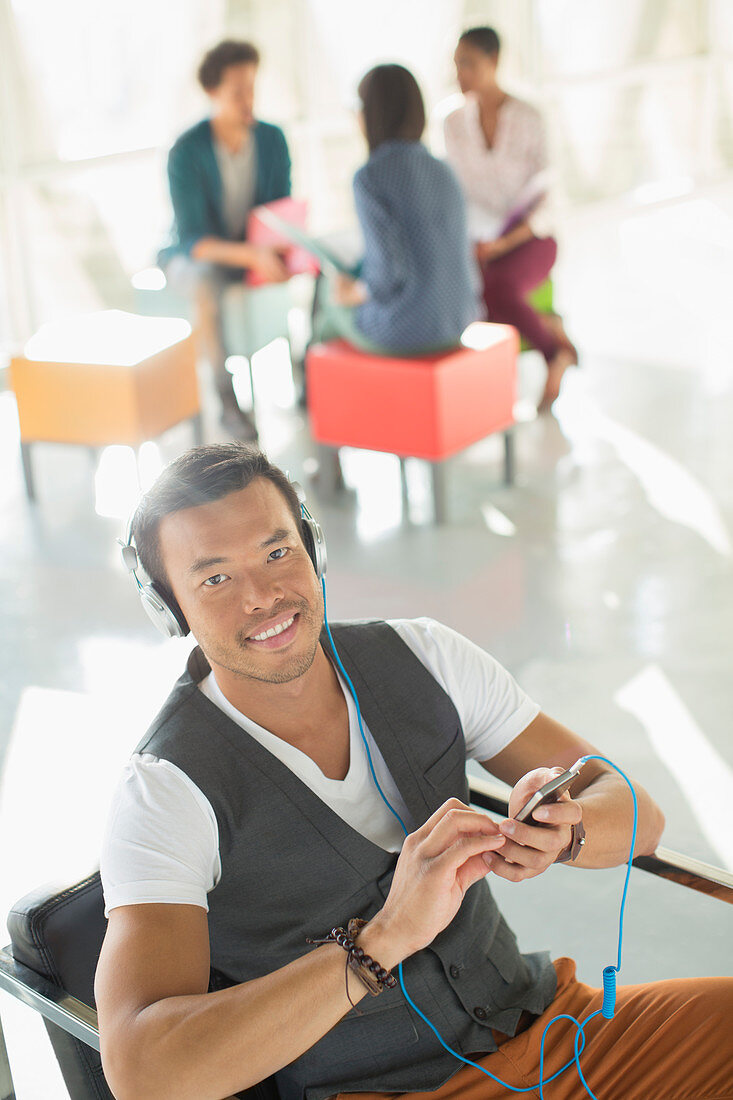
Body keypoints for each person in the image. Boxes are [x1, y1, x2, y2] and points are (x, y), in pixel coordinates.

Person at [95, 442, 732, 1100]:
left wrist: (567, 832)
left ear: (312, 549)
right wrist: (383, 937)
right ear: (168, 605)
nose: (263, 595)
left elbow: (637, 814)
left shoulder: (425, 655)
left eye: (277, 552)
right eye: (215, 578)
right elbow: (144, 1073)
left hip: (547, 1032)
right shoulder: (164, 791)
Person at [158, 40, 293, 440]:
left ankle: (307, 381)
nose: (248, 99)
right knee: (204, 281)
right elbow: (193, 238)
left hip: (248, 253)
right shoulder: (186, 150)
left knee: (320, 263)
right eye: (238, 91)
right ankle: (227, 401)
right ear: (212, 92)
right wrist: (252, 254)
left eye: (252, 87)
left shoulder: (271, 139)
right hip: (195, 255)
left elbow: (280, 210)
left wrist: (283, 250)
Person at [444, 27, 577, 412]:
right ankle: (548, 329)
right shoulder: (452, 123)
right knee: (465, 295)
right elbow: (456, 195)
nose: (460, 75)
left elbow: (546, 199)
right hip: (479, 239)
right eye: (456, 66)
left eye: (468, 64)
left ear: (494, 61)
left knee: (495, 288)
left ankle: (554, 354)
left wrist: (502, 243)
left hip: (531, 238)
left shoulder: (530, 118)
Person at [316, 64, 477, 355]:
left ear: (369, 113)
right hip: (462, 317)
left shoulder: (370, 177)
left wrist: (354, 293)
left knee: (329, 299)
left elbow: (387, 275)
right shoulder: (444, 169)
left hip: (409, 330)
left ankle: (310, 387)